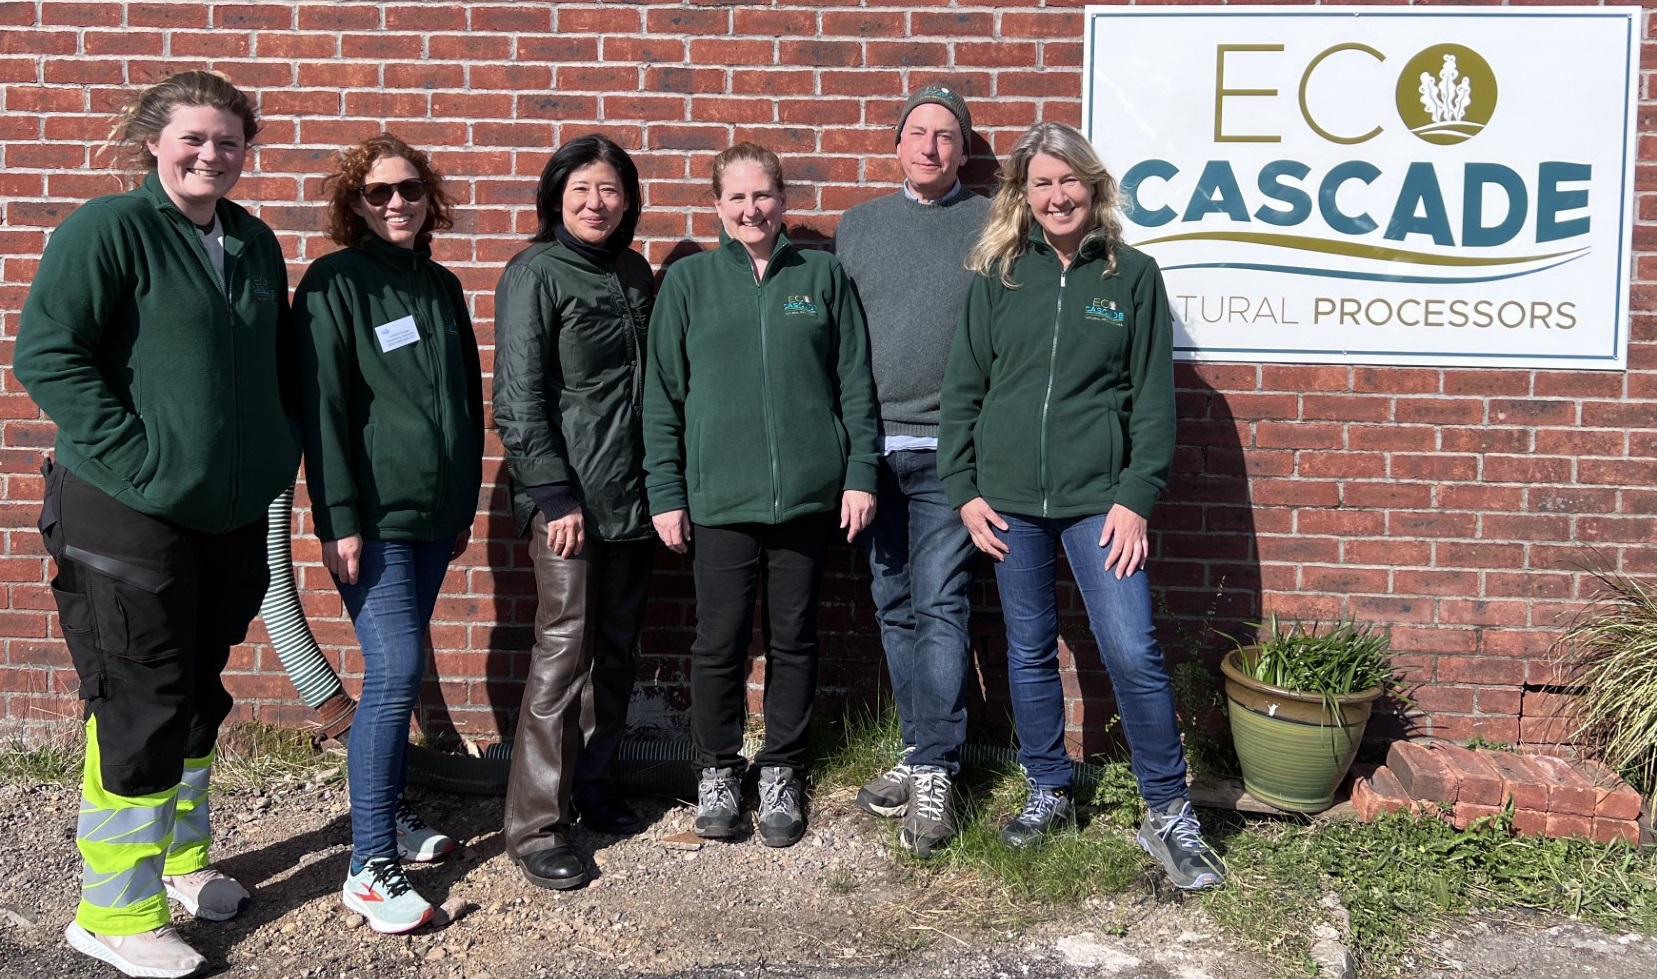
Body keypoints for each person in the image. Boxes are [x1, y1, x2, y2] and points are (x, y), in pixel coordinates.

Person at [14, 71, 300, 977]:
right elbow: (48, 355)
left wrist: (270, 460)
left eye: (228, 141)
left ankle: (180, 863)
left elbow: (265, 371)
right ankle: (113, 909)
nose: (211, 154)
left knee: (197, 693)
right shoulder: (109, 229)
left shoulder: (252, 243)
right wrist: (142, 462)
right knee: (137, 701)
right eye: (194, 138)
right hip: (122, 511)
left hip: (222, 516)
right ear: (153, 141)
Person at [938, 121, 1225, 890]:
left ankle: (1167, 811)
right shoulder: (997, 274)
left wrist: (1135, 499)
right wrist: (963, 489)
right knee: (1028, 649)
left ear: (1093, 188)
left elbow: (1153, 404)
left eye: (1069, 181)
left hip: (1100, 501)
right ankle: (1048, 788)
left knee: (1131, 649)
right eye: (1041, 184)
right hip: (1006, 504)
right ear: (1021, 197)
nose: (1056, 195)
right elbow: (963, 390)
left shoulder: (1130, 275)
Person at [644, 143, 880, 848]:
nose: (751, 209)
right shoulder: (687, 284)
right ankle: (717, 768)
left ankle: (781, 767)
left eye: (763, 195)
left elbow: (855, 384)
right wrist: (666, 490)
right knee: (717, 644)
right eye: (736, 198)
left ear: (783, 200)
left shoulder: (824, 276)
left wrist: (861, 471)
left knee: (794, 641)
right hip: (717, 499)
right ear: (717, 206)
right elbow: (661, 397)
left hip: (807, 499)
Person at [293, 134, 483, 932]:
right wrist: (338, 518)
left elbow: (467, 400)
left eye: (407, 189)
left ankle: (389, 814)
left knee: (394, 677)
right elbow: (324, 410)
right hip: (372, 524)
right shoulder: (335, 284)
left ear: (427, 195)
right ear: (355, 204)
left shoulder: (440, 285)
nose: (396, 203)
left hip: (434, 516)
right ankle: (369, 864)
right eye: (377, 193)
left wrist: (463, 499)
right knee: (397, 666)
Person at [493, 135, 656, 891]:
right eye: (583, 188)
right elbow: (519, 400)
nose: (597, 202)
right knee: (562, 657)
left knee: (615, 650)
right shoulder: (534, 272)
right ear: (557, 195)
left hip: (632, 498)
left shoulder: (631, 271)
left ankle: (592, 784)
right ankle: (534, 823)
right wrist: (553, 494)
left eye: (611, 189)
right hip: (568, 504)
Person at [834, 83, 989, 856]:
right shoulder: (858, 227)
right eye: (918, 133)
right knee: (893, 603)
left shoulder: (993, 222)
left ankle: (935, 766)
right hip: (872, 454)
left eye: (946, 136)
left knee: (939, 603)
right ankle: (919, 746)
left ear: (962, 151)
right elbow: (838, 345)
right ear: (896, 145)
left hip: (948, 452)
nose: (930, 147)